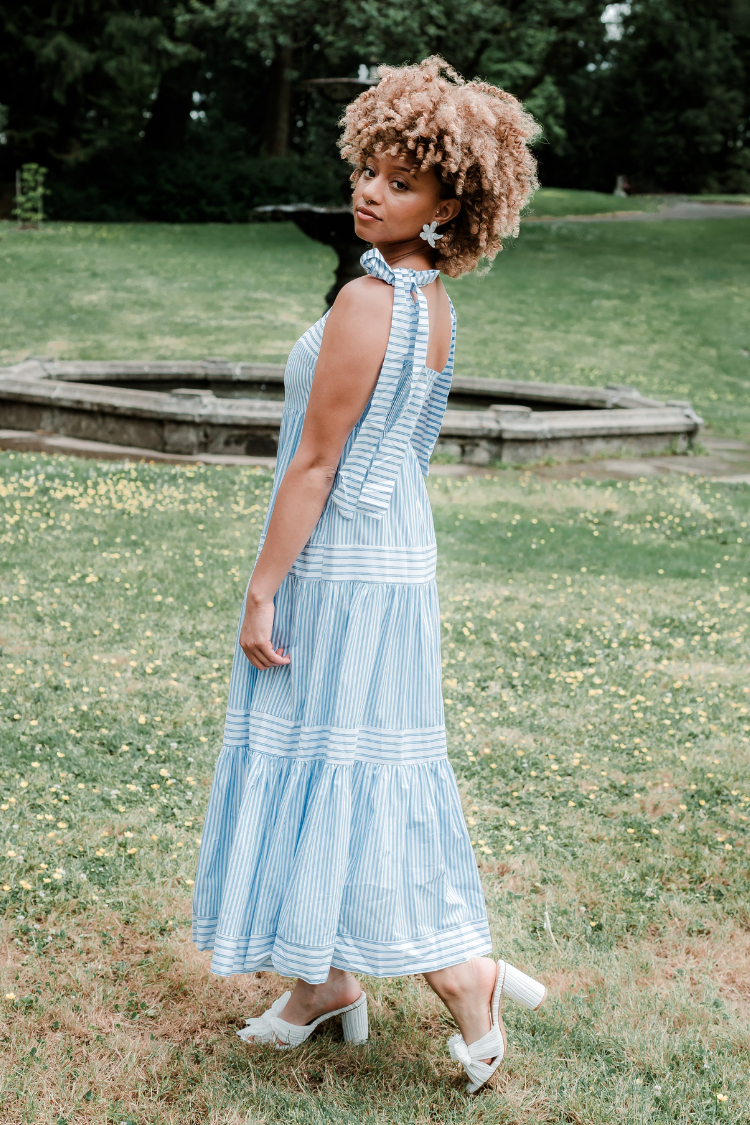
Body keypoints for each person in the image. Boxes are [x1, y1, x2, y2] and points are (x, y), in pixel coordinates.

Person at [192, 56, 544, 1093]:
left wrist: (261, 588)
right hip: (394, 554)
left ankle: (462, 974)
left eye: (401, 182)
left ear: (449, 203)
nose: (371, 192)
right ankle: (324, 981)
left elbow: (316, 461)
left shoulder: (367, 298)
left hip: (341, 564)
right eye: (371, 170)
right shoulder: (428, 300)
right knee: (345, 759)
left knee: (345, 765)